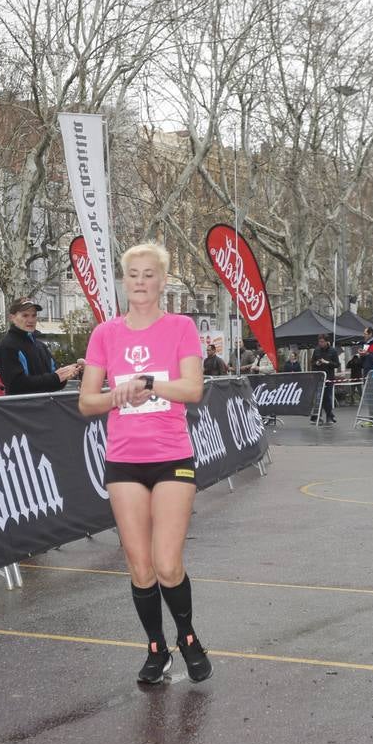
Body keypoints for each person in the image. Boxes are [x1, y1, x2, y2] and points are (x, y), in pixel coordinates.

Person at [78, 242, 211, 685]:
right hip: (123, 460)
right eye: (132, 274)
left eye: (148, 274)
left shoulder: (180, 328)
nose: (140, 281)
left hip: (171, 455)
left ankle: (188, 637)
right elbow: (86, 402)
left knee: (168, 563)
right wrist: (115, 395)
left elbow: (193, 390)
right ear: (124, 279)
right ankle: (157, 648)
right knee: (139, 566)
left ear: (162, 279)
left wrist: (151, 383)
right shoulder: (105, 333)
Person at [0, 298, 82, 395]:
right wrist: (56, 377)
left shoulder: (41, 346)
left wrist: (66, 374)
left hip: (45, 406)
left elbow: (55, 382)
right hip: (19, 408)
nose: (31, 320)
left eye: (34, 315)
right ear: (12, 317)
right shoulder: (8, 346)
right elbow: (16, 385)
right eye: (25, 315)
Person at [310, 333, 339, 423]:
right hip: (319, 378)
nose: (320, 343)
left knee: (327, 397)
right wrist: (316, 363)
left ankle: (329, 416)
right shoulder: (316, 350)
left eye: (322, 342)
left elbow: (337, 364)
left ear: (327, 342)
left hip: (329, 378)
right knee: (318, 397)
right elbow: (312, 363)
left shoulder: (333, 351)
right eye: (319, 342)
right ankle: (317, 416)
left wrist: (327, 362)